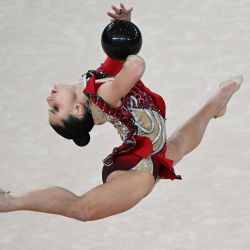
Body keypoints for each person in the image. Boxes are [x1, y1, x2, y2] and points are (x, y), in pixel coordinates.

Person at [0, 3, 243, 222]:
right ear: (76, 109)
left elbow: (113, 64)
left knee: (179, 143)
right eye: (55, 108)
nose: (49, 98)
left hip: (150, 150)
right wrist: (127, 54)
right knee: (82, 209)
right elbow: (135, 66)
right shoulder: (103, 95)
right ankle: (10, 202)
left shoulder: (91, 84)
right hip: (137, 170)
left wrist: (123, 29)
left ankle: (222, 95)